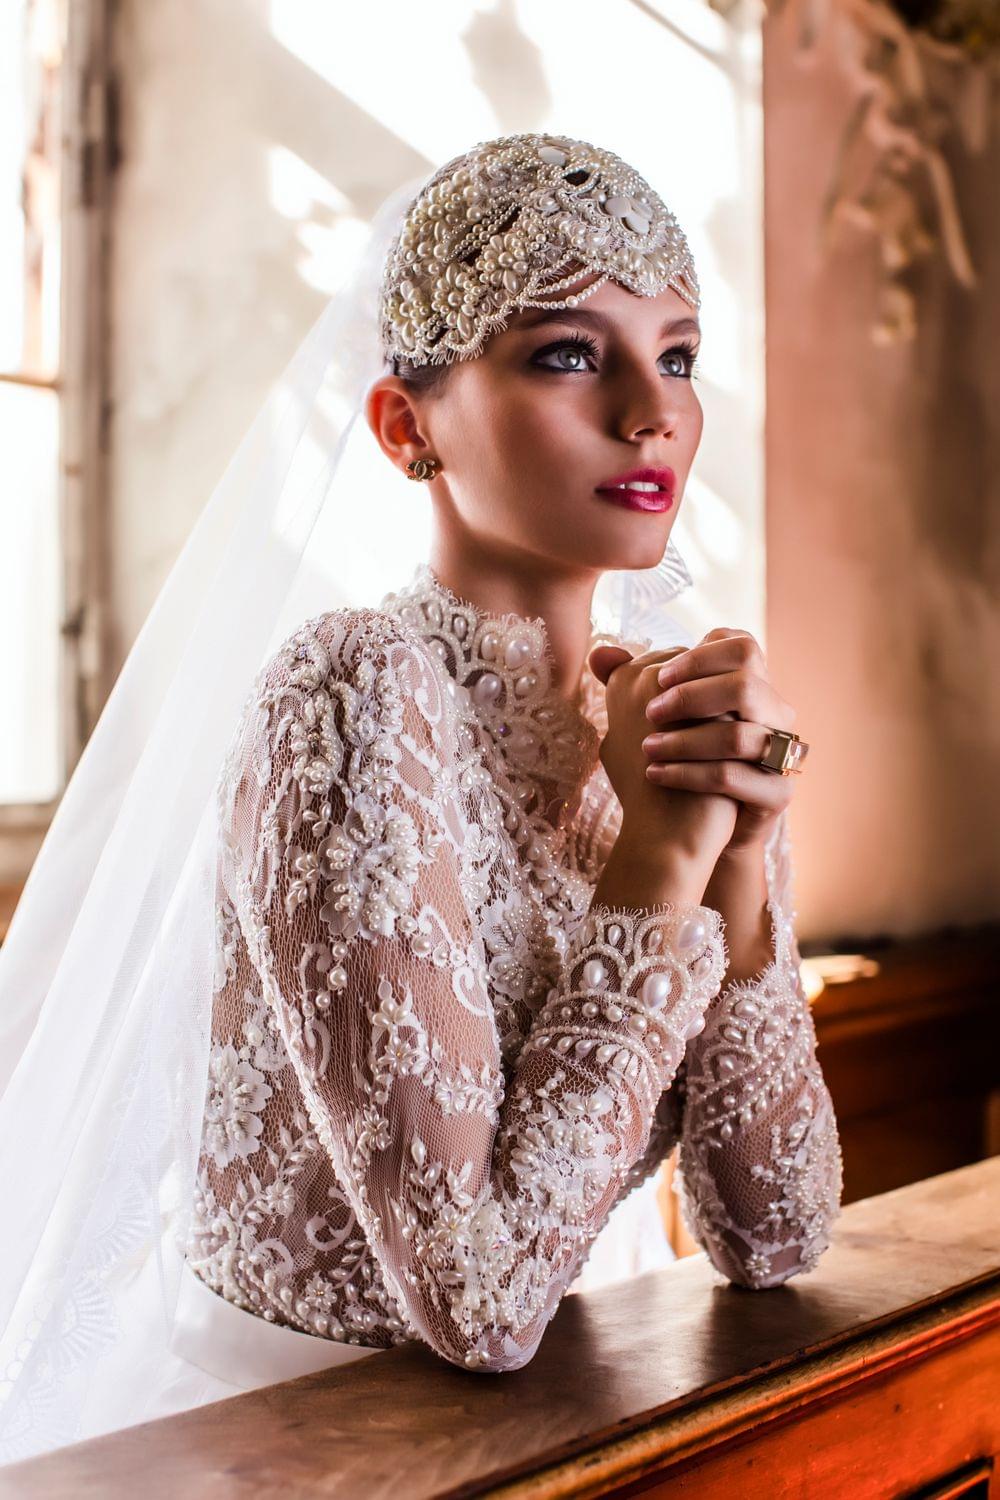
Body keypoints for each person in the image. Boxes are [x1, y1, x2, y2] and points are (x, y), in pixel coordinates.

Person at [0, 132, 842, 1462]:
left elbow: (776, 1236)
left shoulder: (671, 710)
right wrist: (662, 866)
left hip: (570, 1430)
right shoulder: (351, 691)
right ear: (406, 426)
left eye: (677, 355)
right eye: (570, 354)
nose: (652, 414)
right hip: (310, 1451)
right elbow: (481, 1300)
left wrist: (740, 863)